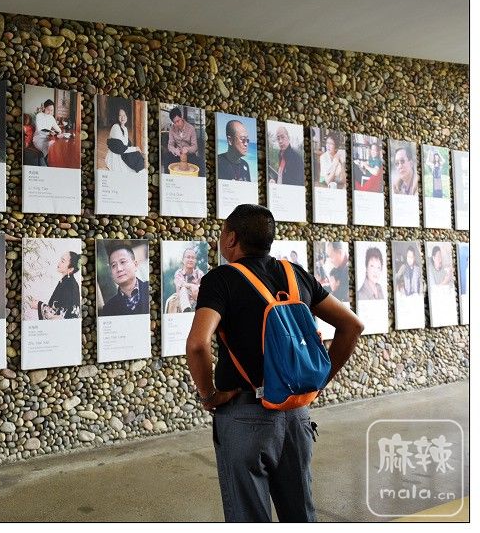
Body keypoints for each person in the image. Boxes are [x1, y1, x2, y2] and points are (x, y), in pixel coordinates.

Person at [185, 203, 362, 522]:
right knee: (300, 514)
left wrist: (209, 395)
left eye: (223, 233)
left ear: (232, 238)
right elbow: (352, 325)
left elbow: (198, 344)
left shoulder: (221, 279)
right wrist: (319, 381)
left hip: (245, 416)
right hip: (296, 415)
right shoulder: (296, 275)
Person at [100, 241, 149, 317]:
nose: (119, 269)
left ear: (135, 265)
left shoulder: (150, 289)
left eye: (123, 262)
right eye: (113, 265)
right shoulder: (108, 308)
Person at [27, 251, 81, 319]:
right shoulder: (66, 282)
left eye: (62, 261)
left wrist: (39, 305)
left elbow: (62, 316)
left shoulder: (69, 285)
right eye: (60, 260)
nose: (59, 263)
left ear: (70, 269)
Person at [105, 106, 145, 173]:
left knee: (137, 155)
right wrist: (135, 149)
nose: (122, 117)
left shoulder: (124, 128)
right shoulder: (115, 127)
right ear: (117, 117)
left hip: (122, 152)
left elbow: (126, 143)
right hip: (117, 156)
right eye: (120, 115)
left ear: (127, 116)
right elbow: (121, 148)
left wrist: (135, 149)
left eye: (124, 115)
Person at [164, 107, 201, 172]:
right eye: (174, 122)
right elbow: (170, 145)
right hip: (177, 154)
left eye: (178, 121)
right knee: (167, 158)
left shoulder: (191, 128)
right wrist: (175, 150)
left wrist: (188, 149)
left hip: (189, 155)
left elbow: (195, 147)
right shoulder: (172, 129)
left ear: (182, 117)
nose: (176, 124)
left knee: (199, 164)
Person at [31, 99, 63, 166]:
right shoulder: (39, 115)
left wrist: (59, 132)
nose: (50, 112)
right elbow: (40, 129)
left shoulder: (51, 118)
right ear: (44, 108)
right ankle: (46, 164)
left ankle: (51, 163)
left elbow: (57, 128)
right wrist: (50, 132)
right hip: (39, 138)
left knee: (54, 145)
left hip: (48, 138)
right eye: (48, 110)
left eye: (52, 110)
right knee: (48, 147)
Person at [173, 247, 204, 312]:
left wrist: (196, 288)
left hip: (197, 302)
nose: (190, 260)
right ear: (183, 260)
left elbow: (205, 287)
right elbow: (181, 284)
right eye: (188, 257)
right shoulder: (179, 273)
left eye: (193, 258)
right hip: (182, 305)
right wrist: (192, 286)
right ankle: (186, 311)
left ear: (195, 261)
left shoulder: (199, 273)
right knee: (183, 289)